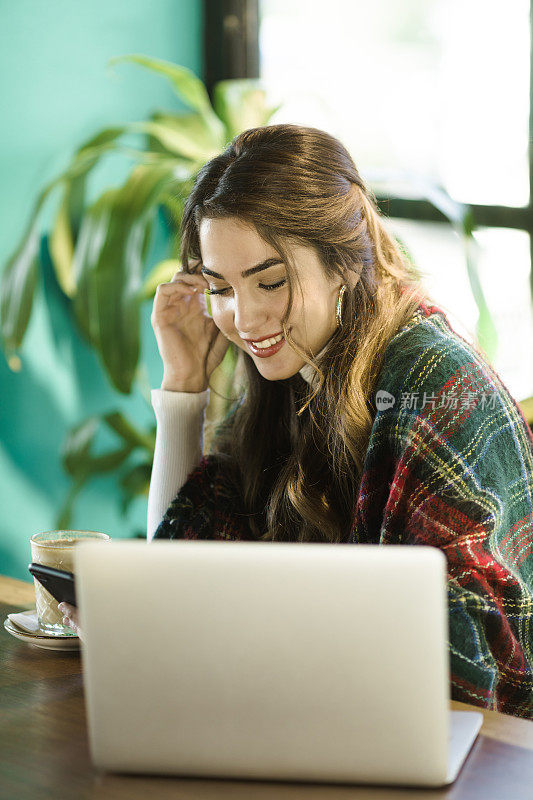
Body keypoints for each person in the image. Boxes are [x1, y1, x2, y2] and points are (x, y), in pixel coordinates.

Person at [62, 123, 533, 719]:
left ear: (342, 261)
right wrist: (183, 389)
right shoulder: (292, 369)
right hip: (330, 717)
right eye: (221, 288)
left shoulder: (432, 383)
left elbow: (469, 663)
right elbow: (181, 567)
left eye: (271, 281)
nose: (245, 317)